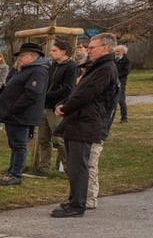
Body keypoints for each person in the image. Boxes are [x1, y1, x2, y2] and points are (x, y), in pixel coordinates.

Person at [52, 33, 119, 217]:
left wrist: (65, 108)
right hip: (78, 120)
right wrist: (63, 104)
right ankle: (73, 199)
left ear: (105, 48)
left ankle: (77, 205)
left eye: (92, 47)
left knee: (79, 165)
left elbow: (87, 94)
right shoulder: (96, 67)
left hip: (86, 122)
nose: (88, 50)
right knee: (74, 165)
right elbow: (77, 91)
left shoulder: (106, 68)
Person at [0, 43, 49, 186]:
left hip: (21, 115)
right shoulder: (22, 70)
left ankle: (16, 174)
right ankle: (12, 170)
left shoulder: (37, 71)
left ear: (32, 56)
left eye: (22, 56)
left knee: (19, 145)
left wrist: (14, 108)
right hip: (12, 114)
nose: (19, 59)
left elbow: (31, 94)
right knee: (14, 144)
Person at [27, 40, 78, 179]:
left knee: (59, 140)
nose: (50, 53)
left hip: (57, 108)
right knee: (43, 139)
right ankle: (43, 168)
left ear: (64, 52)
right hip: (44, 106)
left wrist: (47, 96)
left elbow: (68, 89)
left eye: (54, 50)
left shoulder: (72, 66)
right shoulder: (52, 65)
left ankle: (70, 170)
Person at [110, 44, 131, 129]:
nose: (116, 53)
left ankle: (124, 117)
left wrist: (116, 76)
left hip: (121, 82)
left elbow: (126, 72)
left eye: (118, 51)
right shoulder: (113, 59)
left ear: (123, 52)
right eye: (115, 51)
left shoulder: (126, 60)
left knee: (121, 100)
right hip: (112, 82)